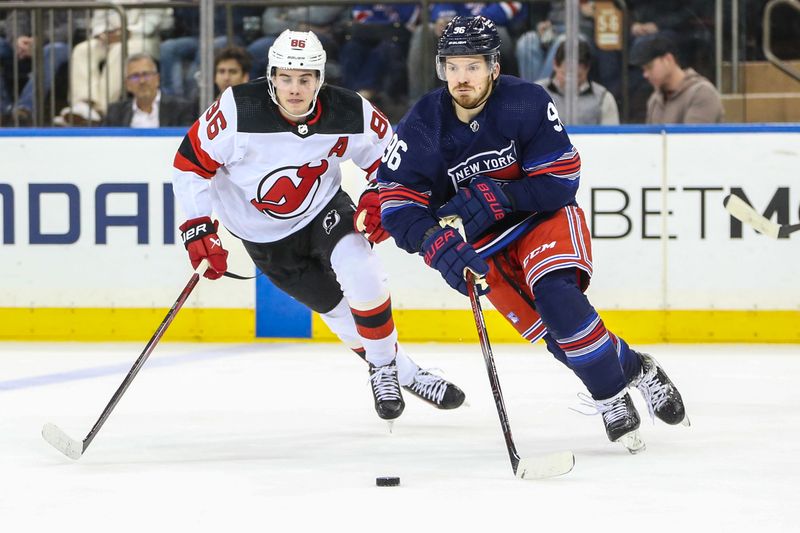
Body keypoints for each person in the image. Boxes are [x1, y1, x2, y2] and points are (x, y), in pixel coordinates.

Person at [377, 15, 688, 452]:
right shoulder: (425, 122)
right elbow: (396, 201)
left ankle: (610, 396)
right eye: (452, 66)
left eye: (472, 66)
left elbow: (561, 179)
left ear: (493, 67)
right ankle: (637, 369)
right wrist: (433, 242)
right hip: (483, 247)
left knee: (560, 301)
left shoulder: (525, 102)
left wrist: (499, 195)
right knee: (558, 339)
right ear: (441, 68)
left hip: (540, 218)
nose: (462, 77)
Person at [171, 30, 466, 422]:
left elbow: (390, 158)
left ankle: (382, 370)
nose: (295, 89)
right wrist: (198, 229)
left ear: (320, 78)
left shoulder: (347, 110)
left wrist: (380, 197)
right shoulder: (237, 111)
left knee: (361, 269)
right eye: (286, 78)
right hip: (265, 241)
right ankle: (405, 372)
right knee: (341, 314)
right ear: (272, 75)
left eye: (306, 78)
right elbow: (190, 166)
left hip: (324, 211)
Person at [630, 33, 723, 124]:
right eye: (643, 69)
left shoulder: (701, 93)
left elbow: (695, 138)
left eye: (649, 67)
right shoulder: (655, 100)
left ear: (668, 59)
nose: (645, 74)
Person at [536, 39, 619, 125]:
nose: (571, 81)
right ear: (555, 64)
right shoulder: (535, 93)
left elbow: (612, 135)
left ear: (587, 69)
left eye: (578, 76)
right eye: (566, 74)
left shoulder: (603, 98)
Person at [103, 53, 194, 127]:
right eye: (135, 76)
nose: (142, 81)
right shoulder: (115, 113)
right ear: (127, 85)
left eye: (146, 74)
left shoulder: (181, 109)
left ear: (157, 79)